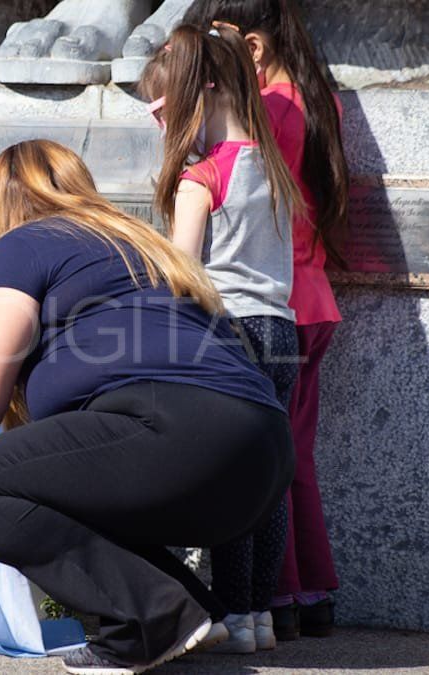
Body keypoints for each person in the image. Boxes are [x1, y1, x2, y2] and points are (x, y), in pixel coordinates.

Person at [0, 139, 294, 674]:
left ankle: (151, 620)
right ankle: (192, 608)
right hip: (261, 459)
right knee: (68, 475)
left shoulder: (22, 245)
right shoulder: (146, 246)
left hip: (174, 432)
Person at [182, 0, 351, 639]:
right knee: (288, 459)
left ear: (249, 49)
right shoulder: (312, 97)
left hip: (258, 308)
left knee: (258, 467)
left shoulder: (269, 110)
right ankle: (301, 595)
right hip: (299, 300)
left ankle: (274, 595)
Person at [139, 23, 303, 653]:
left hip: (228, 333)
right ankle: (259, 615)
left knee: (233, 483)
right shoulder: (275, 167)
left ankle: (233, 614)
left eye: (162, 107)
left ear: (198, 90)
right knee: (269, 483)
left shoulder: (201, 178)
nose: (160, 121)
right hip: (281, 331)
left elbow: (182, 274)